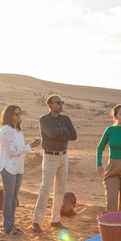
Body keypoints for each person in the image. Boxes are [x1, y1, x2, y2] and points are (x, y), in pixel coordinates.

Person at [31, 94, 77, 232]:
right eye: (57, 102)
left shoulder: (66, 119)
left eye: (61, 102)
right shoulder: (44, 119)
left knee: (60, 190)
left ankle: (55, 220)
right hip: (50, 157)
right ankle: (36, 221)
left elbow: (73, 135)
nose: (60, 105)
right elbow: (49, 131)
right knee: (45, 189)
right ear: (49, 105)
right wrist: (64, 131)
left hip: (64, 156)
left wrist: (57, 134)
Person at [0, 105, 40, 234]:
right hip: (8, 166)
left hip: (18, 167)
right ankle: (7, 227)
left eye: (20, 113)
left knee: (14, 196)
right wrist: (30, 146)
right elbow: (11, 151)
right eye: (17, 113)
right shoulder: (6, 129)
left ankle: (11, 224)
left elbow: (19, 149)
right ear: (10, 115)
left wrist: (29, 146)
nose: (19, 116)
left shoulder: (18, 130)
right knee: (8, 196)